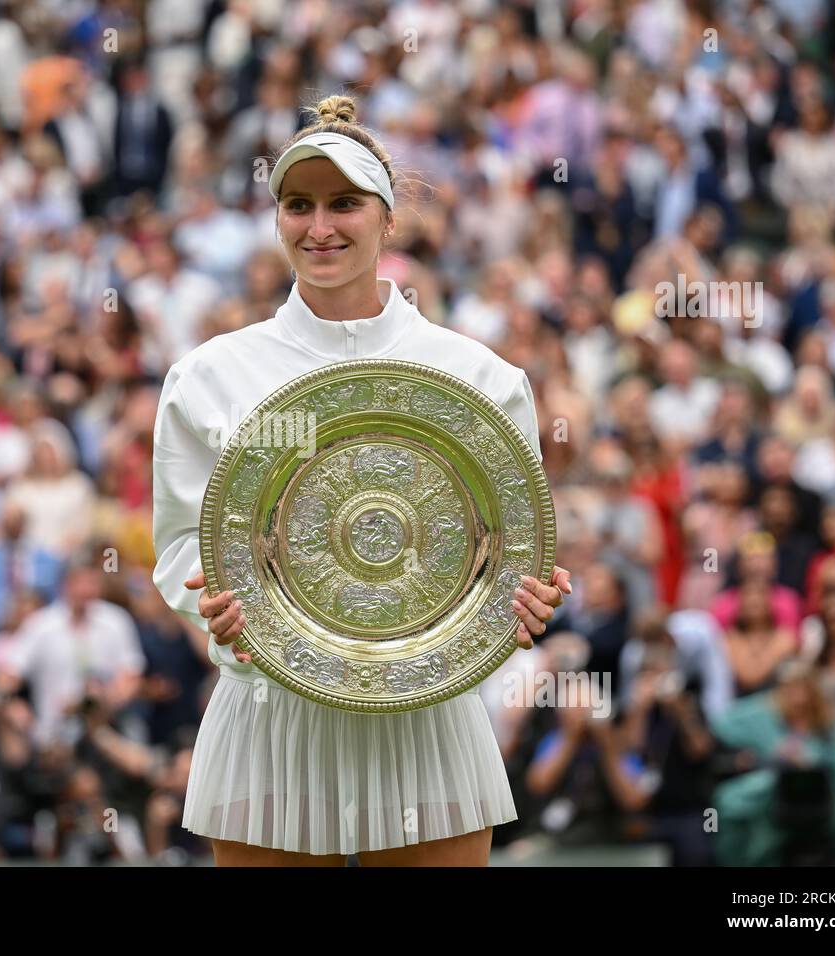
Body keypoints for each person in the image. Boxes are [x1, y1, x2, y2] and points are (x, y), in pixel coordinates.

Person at [151, 94, 572, 866]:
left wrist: (526, 593)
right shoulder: (206, 376)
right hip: (271, 714)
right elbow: (181, 544)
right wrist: (209, 603)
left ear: (388, 216)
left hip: (427, 720)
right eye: (298, 205)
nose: (320, 228)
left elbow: (513, 548)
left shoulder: (480, 376)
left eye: (344, 203)